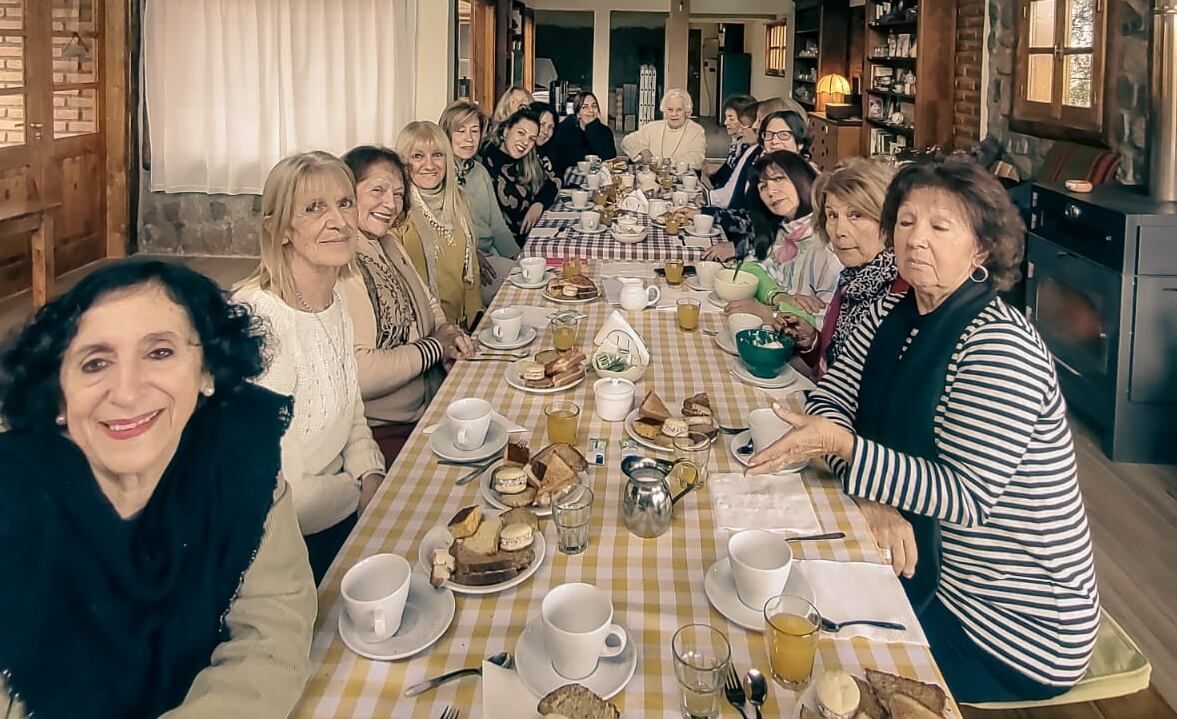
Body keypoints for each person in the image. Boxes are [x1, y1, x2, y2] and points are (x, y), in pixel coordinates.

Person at [748, 158, 1100, 704]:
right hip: (923, 561)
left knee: (818, 668)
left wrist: (847, 451)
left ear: (981, 248)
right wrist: (871, 491)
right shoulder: (891, 312)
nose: (917, 240)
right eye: (907, 223)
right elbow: (832, 399)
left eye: (941, 227)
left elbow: (965, 494)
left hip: (1007, 621)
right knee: (775, 605)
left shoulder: (999, 345)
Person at [0, 260, 317, 719]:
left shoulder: (237, 459)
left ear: (206, 370)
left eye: (159, 352)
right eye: (95, 363)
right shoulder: (14, 499)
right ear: (59, 397)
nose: (127, 392)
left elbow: (273, 630)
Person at [234, 151, 386, 584]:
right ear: (280, 229)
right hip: (279, 555)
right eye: (314, 208)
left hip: (341, 510)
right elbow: (282, 495)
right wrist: (360, 493)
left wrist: (372, 471)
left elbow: (351, 409)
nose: (338, 221)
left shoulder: (333, 299)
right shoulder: (259, 325)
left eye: (344, 203)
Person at [339, 146, 478, 464]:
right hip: (386, 430)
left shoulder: (387, 242)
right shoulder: (345, 262)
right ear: (346, 193)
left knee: (517, 437)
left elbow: (427, 298)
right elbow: (362, 373)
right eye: (378, 190)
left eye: (398, 194)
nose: (390, 203)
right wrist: (435, 349)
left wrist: (448, 331)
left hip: (432, 404)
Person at [771, 158, 908, 378]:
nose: (839, 231)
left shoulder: (903, 292)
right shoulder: (852, 279)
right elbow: (835, 367)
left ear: (887, 221)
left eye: (856, 215)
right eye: (833, 215)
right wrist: (812, 341)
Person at [710, 151, 841, 329]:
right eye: (763, 186)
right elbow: (751, 266)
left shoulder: (828, 241)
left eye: (779, 179)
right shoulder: (784, 229)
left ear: (802, 177)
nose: (771, 192)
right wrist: (779, 297)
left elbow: (829, 320)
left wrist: (772, 314)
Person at [394, 121, 483, 329]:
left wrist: (477, 321)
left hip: (464, 325)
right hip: (427, 332)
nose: (429, 165)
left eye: (437, 155)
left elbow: (472, 272)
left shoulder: (459, 200)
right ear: (403, 162)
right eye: (417, 156)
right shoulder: (399, 211)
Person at [441, 100, 521, 305]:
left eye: (474, 131)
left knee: (531, 278)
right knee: (517, 294)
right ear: (446, 133)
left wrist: (520, 258)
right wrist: (471, 256)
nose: (469, 139)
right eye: (461, 131)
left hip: (489, 255)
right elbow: (441, 236)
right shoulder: (437, 174)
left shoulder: (479, 171)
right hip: (461, 266)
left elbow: (497, 225)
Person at [481, 107, 559, 239]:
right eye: (521, 133)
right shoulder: (485, 160)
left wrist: (538, 204)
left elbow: (550, 185)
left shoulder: (527, 160)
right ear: (506, 131)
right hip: (502, 247)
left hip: (529, 239)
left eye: (531, 139)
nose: (525, 142)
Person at [620, 88, 707, 170]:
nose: (674, 114)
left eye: (679, 110)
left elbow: (697, 158)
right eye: (670, 109)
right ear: (664, 111)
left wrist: (667, 161)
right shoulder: (653, 127)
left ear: (687, 111)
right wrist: (642, 150)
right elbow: (627, 141)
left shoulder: (695, 130)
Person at [546, 91, 618, 180]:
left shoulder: (605, 132)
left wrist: (592, 128)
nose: (591, 110)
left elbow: (610, 160)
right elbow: (558, 163)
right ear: (577, 114)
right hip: (570, 184)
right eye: (585, 107)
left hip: (599, 182)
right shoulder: (564, 131)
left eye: (594, 106)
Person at [707, 93, 758, 187]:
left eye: (731, 119)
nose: (726, 123)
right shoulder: (736, 142)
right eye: (726, 118)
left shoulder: (747, 148)